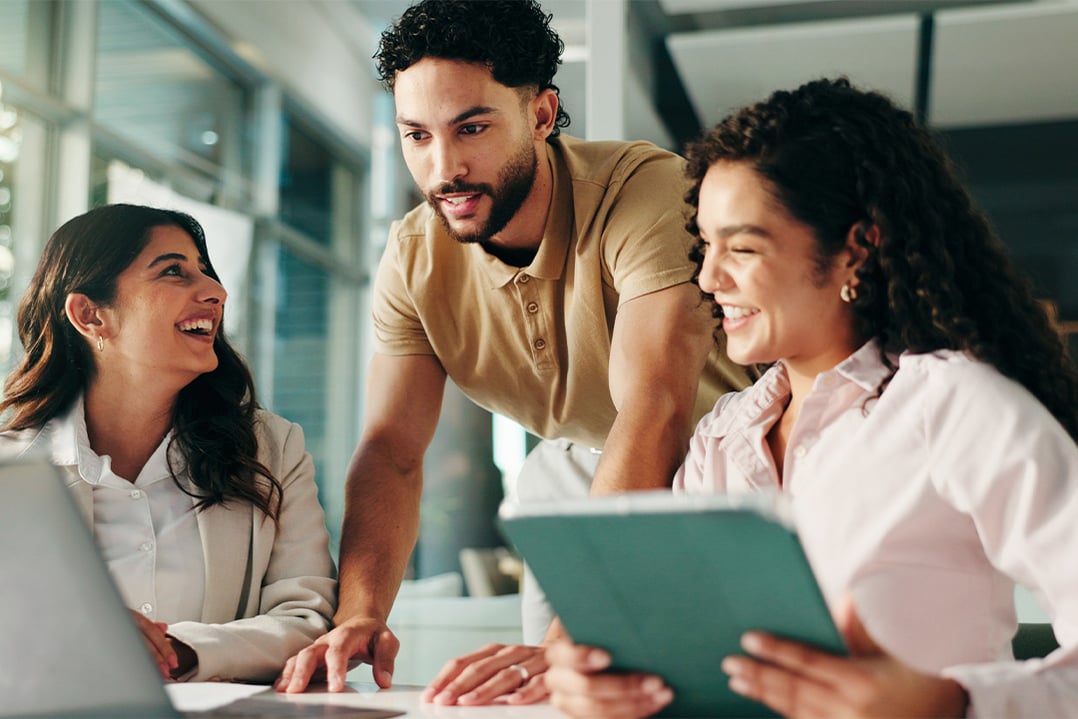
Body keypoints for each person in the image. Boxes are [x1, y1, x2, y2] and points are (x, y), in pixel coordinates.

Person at [543, 76, 1078, 718]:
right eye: (705, 245)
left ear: (857, 247)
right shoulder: (722, 438)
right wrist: (606, 679)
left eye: (742, 247)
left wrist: (947, 703)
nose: (710, 277)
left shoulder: (954, 406)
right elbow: (693, 664)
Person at [276, 0, 753, 702]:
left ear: (539, 113)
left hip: (725, 472)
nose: (444, 168)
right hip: (573, 480)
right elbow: (392, 450)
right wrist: (359, 615)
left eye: (472, 127)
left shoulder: (647, 194)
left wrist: (565, 639)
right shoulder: (413, 256)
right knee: (544, 699)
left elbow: (655, 411)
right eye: (417, 135)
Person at [0, 203, 338, 683]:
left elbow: (309, 618)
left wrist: (179, 651)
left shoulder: (272, 448)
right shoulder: (9, 470)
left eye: (206, 272)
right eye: (174, 272)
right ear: (90, 315)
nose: (217, 292)